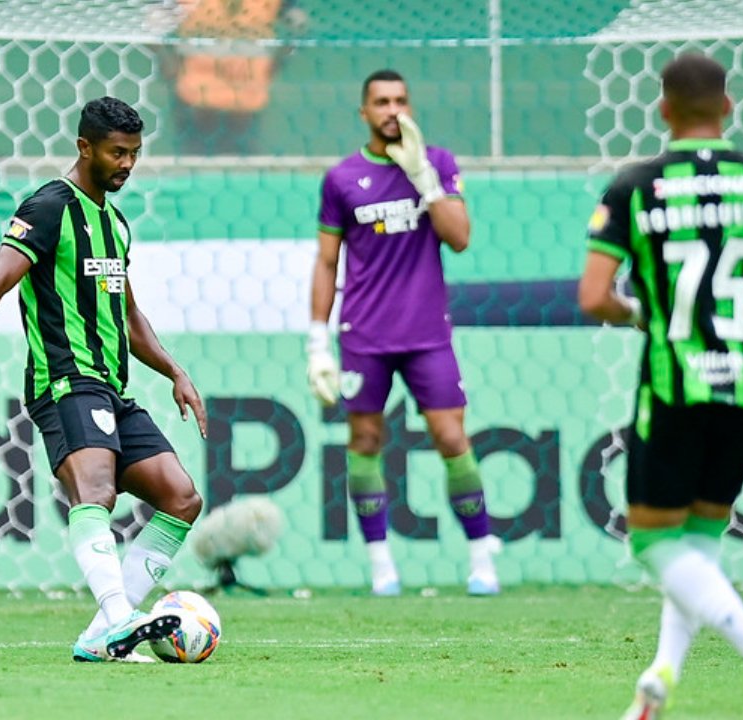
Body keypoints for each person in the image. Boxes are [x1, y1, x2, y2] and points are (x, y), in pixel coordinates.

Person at [578, 53, 743, 720]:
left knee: (651, 540)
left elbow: (594, 296)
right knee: (697, 542)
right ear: (729, 106)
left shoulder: (636, 186)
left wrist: (641, 312)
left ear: (663, 109)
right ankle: (660, 677)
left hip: (673, 385)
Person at [0, 97, 209, 663]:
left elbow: (129, 318)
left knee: (181, 498)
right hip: (65, 382)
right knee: (97, 493)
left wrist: (176, 372)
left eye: (134, 153)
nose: (127, 164)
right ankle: (122, 619)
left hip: (113, 389)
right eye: (116, 152)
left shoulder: (116, 223)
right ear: (85, 147)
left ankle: (103, 633)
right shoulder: (50, 207)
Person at [307, 69, 500, 597]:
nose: (392, 110)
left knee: (451, 438)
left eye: (400, 101)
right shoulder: (342, 178)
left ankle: (483, 560)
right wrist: (317, 341)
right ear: (364, 113)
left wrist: (424, 178)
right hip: (364, 335)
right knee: (365, 440)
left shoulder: (436, 162)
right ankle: (381, 566)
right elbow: (327, 263)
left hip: (427, 334)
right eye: (381, 102)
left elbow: (459, 238)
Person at [165, 0, 306, 156]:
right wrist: (169, 64)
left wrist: (274, 66)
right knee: (198, 156)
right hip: (198, 91)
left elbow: (298, 24)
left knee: (239, 158)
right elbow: (152, 18)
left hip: (245, 90)